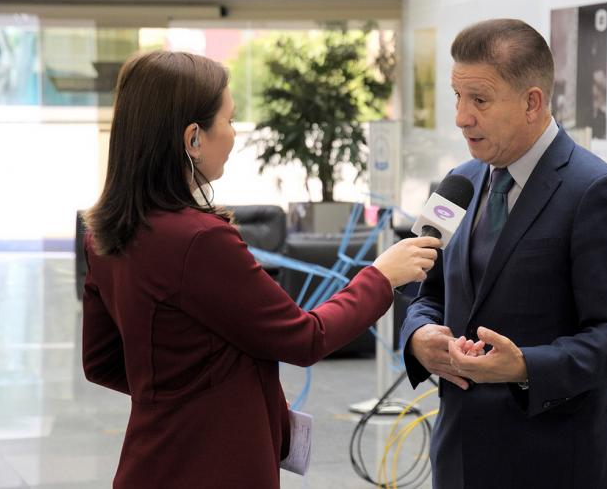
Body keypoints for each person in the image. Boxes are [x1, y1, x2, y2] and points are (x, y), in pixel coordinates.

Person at [81, 50, 440, 488]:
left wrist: (180, 392)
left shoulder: (105, 232)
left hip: (148, 461)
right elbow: (307, 337)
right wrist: (380, 276)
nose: (233, 135)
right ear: (193, 138)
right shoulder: (199, 241)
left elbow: (101, 362)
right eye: (229, 121)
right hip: (213, 467)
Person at [399, 19, 607, 488]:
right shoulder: (457, 183)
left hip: (555, 465)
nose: (460, 117)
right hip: (458, 461)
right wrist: (419, 336)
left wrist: (525, 367)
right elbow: (423, 292)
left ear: (532, 101)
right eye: (457, 96)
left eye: (479, 100)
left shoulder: (598, 191)